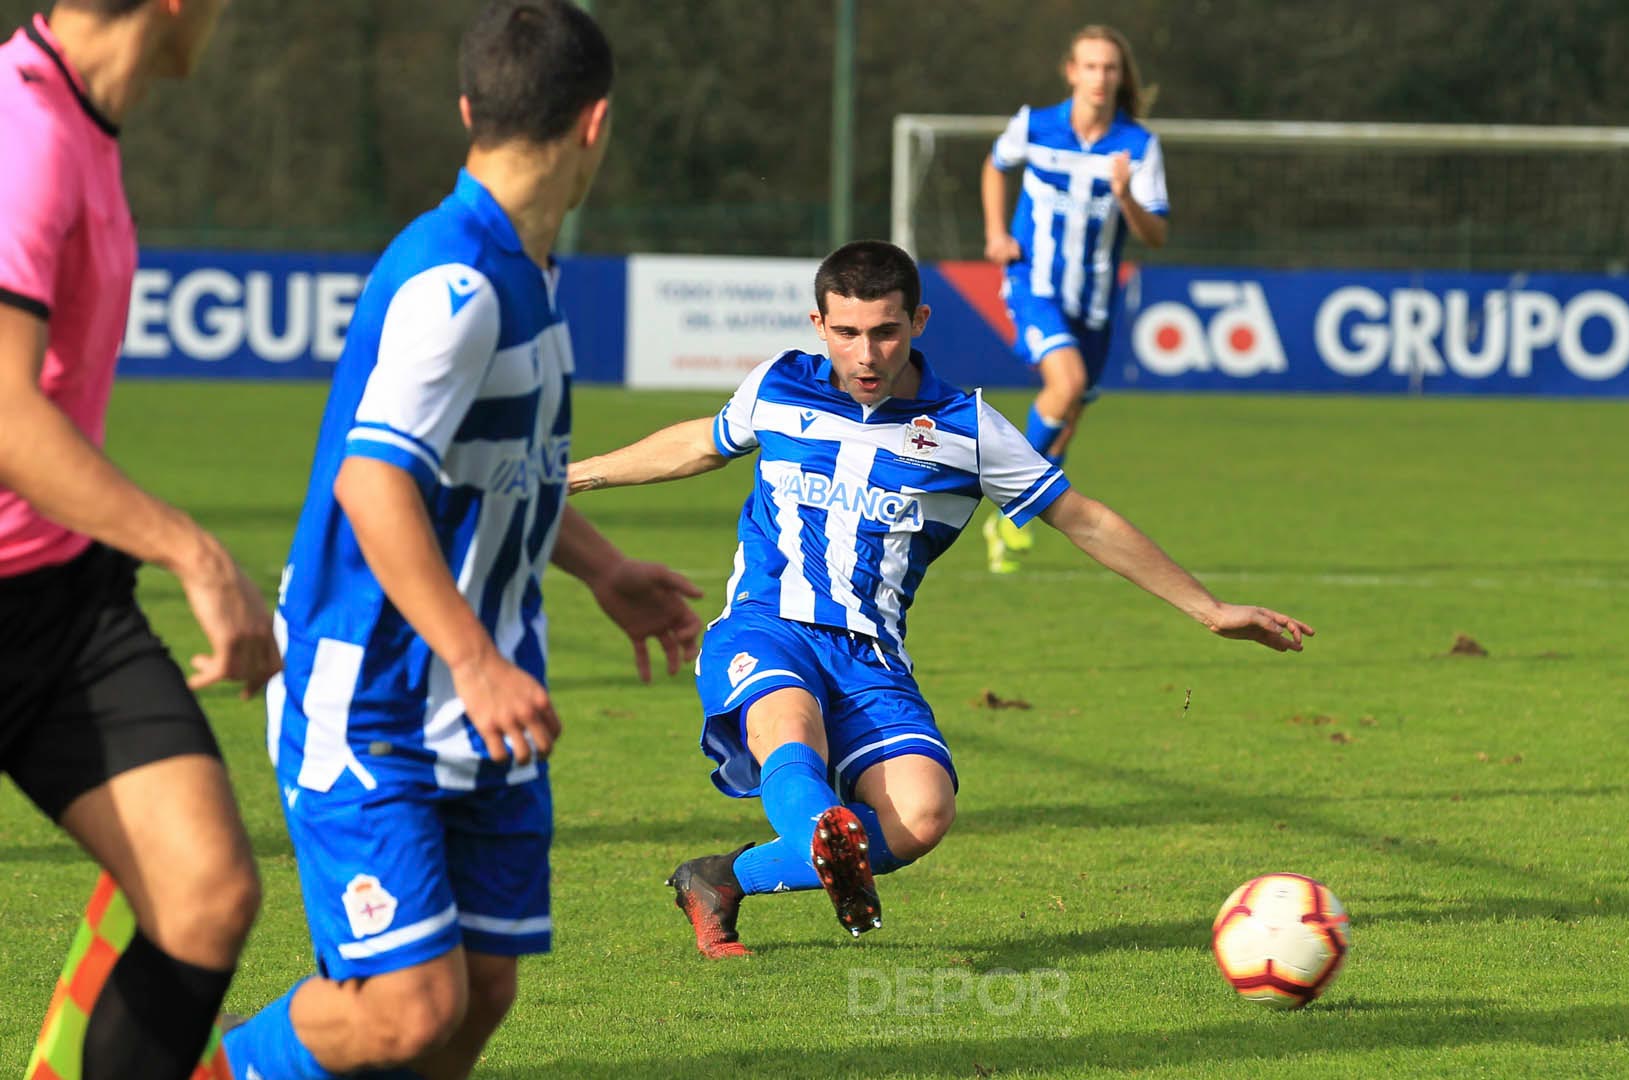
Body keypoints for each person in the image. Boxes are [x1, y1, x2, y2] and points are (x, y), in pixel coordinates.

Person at [566, 240, 1310, 958]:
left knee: (921, 814)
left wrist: (1208, 609)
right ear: (818, 324)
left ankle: (722, 877)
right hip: (767, 626)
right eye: (848, 332)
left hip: (869, 655)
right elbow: (703, 440)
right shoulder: (778, 385)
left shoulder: (968, 430)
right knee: (790, 734)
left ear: (918, 323)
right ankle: (822, 824)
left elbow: (1079, 517)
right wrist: (577, 475)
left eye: (886, 332)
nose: (866, 354)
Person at [219, 3, 704, 1077]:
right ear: (596, 124)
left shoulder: (525, 268)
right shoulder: (457, 285)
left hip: (475, 697)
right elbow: (373, 483)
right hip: (378, 689)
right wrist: (474, 658)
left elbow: (497, 476)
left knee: (480, 993)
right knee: (407, 1009)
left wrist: (603, 566)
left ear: (468, 109)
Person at [0, 2, 278, 1077]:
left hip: (60, 601)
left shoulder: (85, 125)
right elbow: (11, 419)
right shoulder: (24, 134)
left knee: (203, 893)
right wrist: (194, 552)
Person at [977, 24, 1170, 573]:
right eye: (1090, 66)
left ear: (1119, 76)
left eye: (1109, 68)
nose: (1100, 78)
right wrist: (996, 232)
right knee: (1068, 384)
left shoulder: (1137, 146)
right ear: (1071, 72)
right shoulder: (1036, 125)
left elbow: (1155, 233)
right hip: (1034, 282)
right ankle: (1000, 500)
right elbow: (995, 165)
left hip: (1096, 300)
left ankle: (1006, 522)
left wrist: (1127, 195)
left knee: (1071, 414)